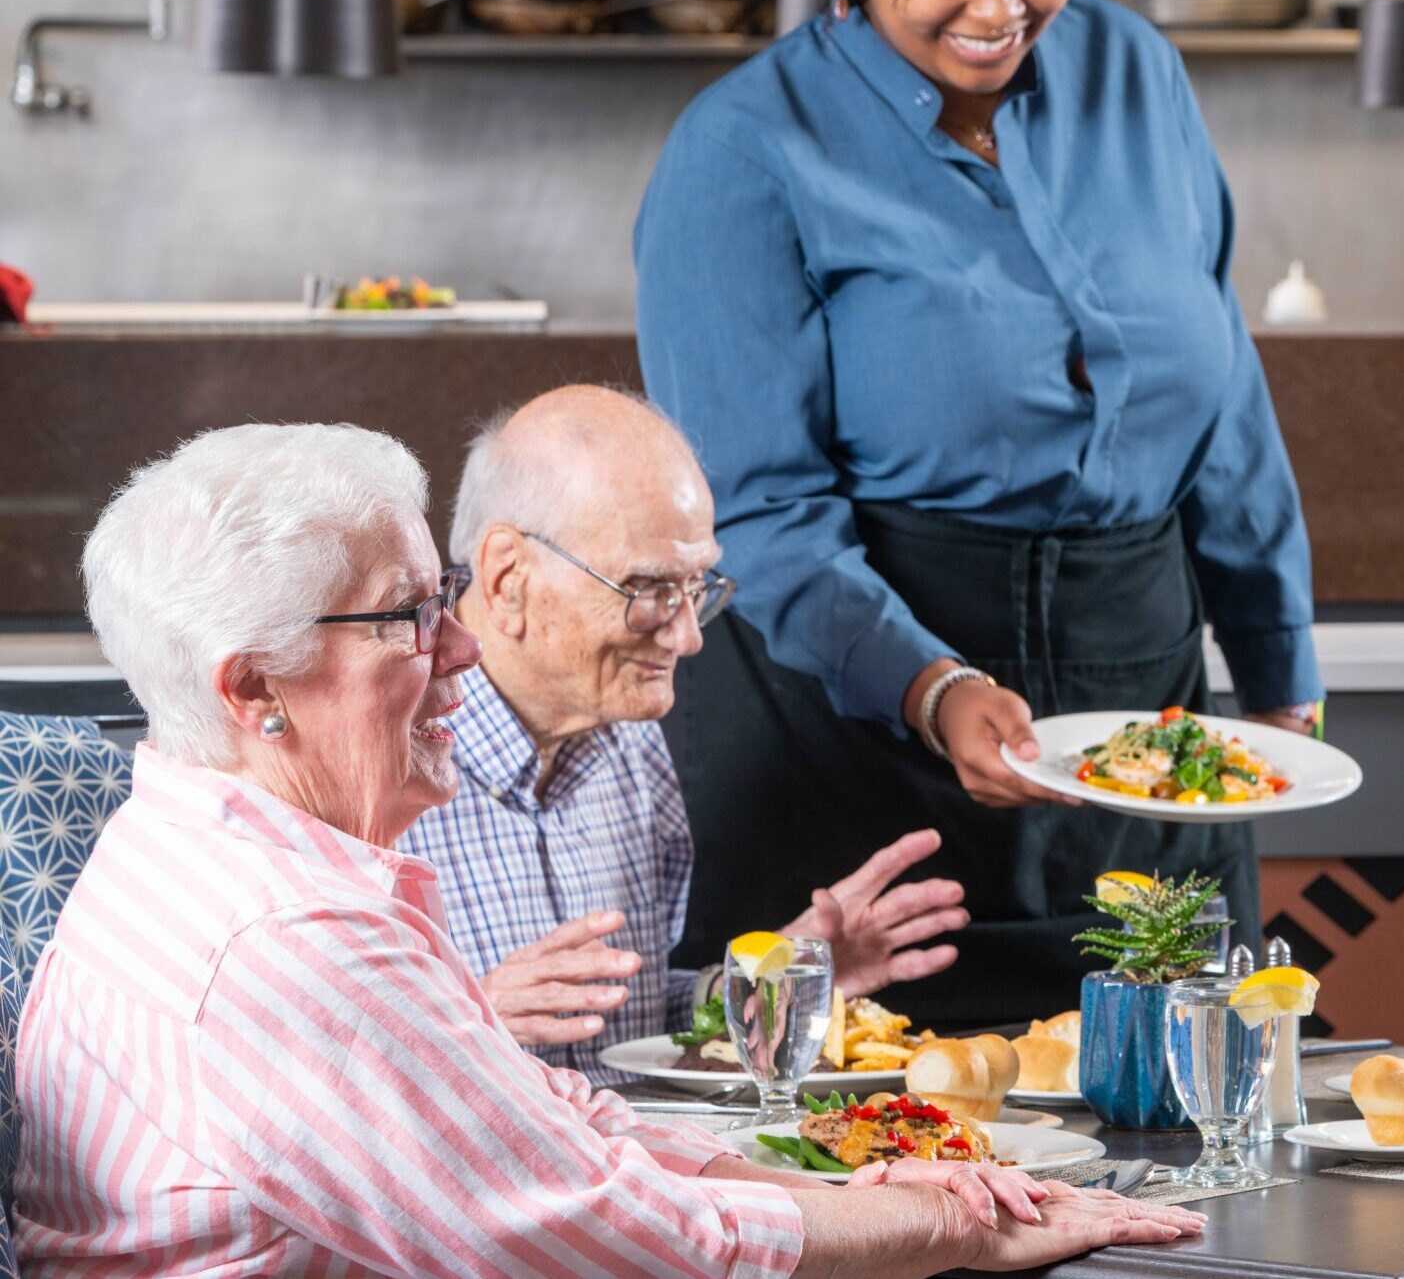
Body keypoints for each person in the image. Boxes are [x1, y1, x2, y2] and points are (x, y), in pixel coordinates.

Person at [14, 422, 1205, 1275]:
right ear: (254, 688)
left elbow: (569, 1126)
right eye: (410, 615)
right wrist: (953, 1232)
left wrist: (860, 1189)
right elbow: (606, 1234)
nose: (459, 647)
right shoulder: (283, 937)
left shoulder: (215, 842)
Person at [632, 0, 1321, 1027]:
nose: (996, 7)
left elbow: (1220, 399)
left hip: (1142, 713)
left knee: (1175, 1115)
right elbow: (759, 514)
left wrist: (1277, 671)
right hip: (855, 728)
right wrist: (931, 685)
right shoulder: (740, 150)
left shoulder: (1139, 78)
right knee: (902, 1151)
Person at [398, 386, 968, 1078]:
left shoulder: (627, 735)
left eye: (697, 586)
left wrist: (756, 987)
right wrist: (467, 1015)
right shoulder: (371, 757)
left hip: (644, 1171)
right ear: (509, 577)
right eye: (648, 591)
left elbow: (627, 1024)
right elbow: (271, 1082)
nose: (690, 636)